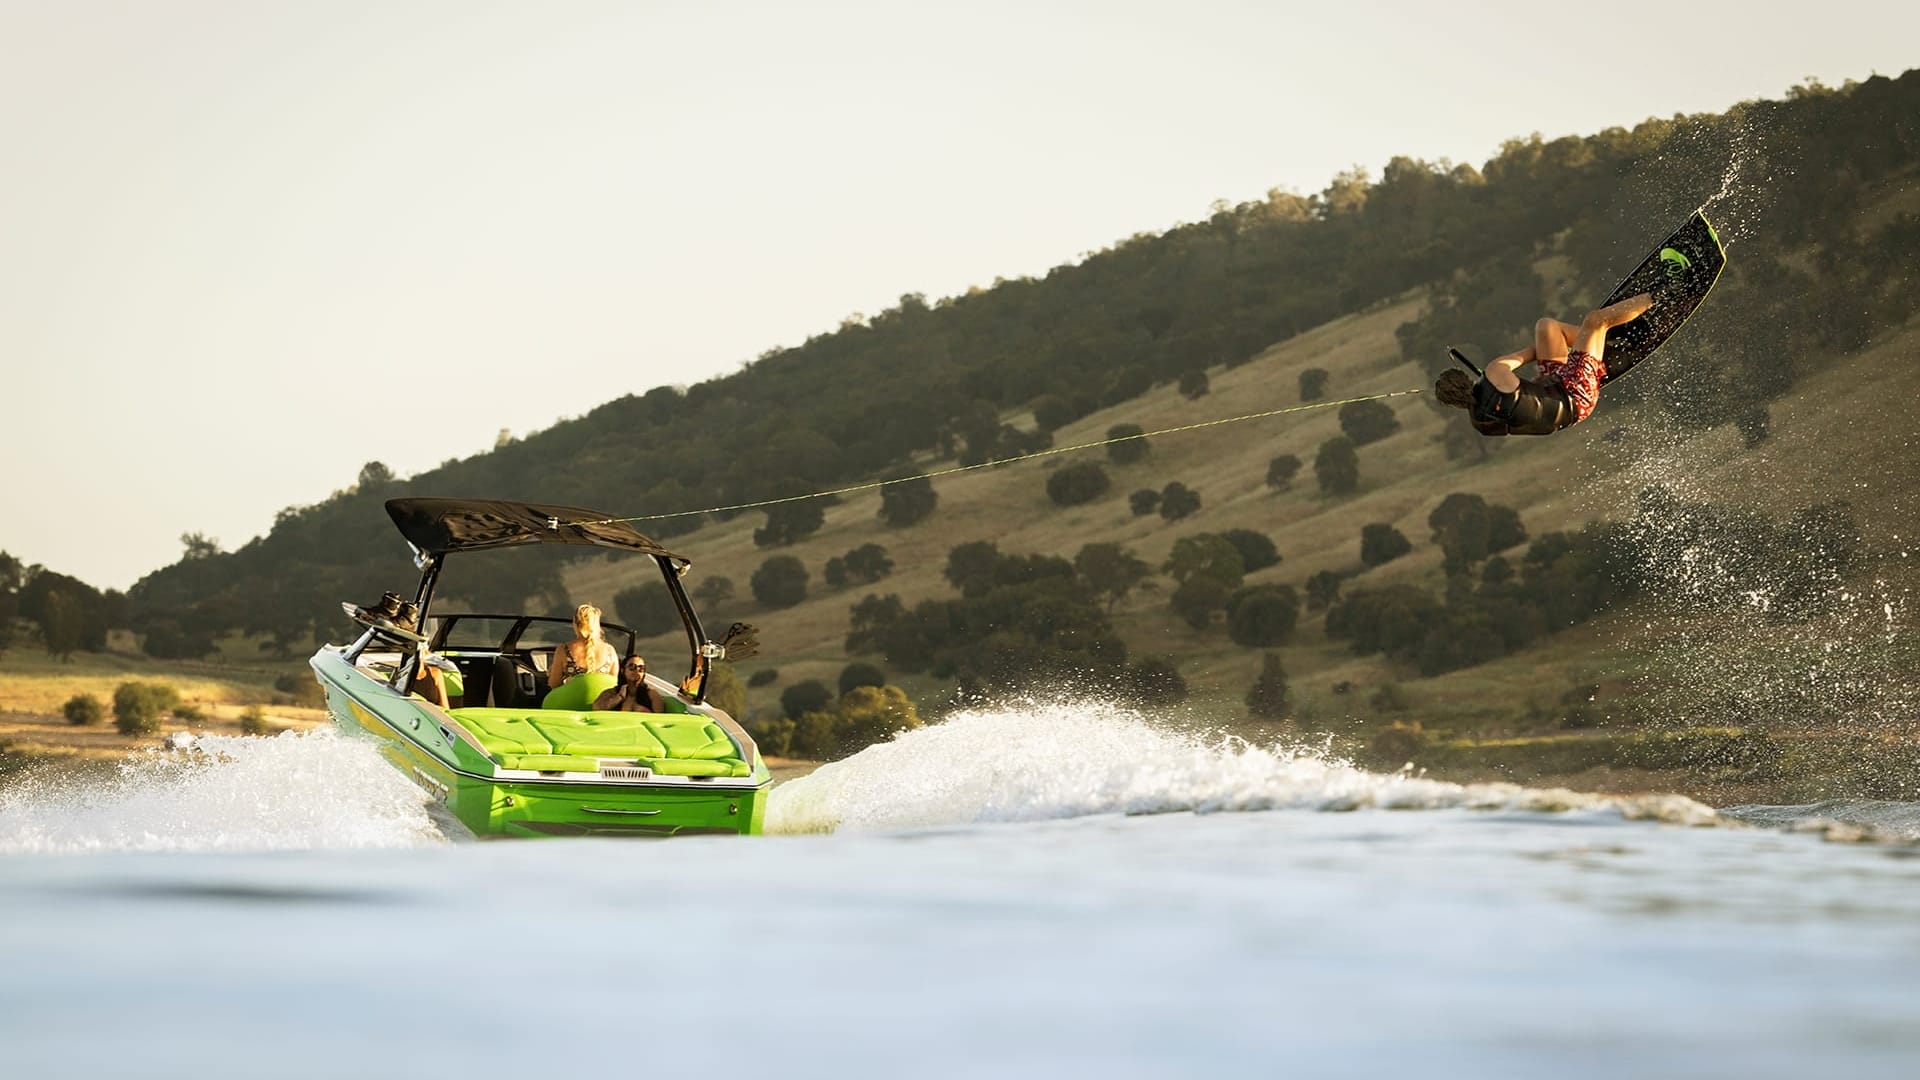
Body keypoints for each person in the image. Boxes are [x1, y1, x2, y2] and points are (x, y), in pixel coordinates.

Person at [1434, 293, 1653, 436]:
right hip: (1575, 392)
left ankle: (1600, 345)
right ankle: (1661, 294)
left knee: (1546, 327)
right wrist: (1577, 345)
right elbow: (1530, 353)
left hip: (1560, 396)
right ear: (1465, 378)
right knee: (1595, 320)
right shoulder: (1494, 372)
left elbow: (1507, 408)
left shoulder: (1481, 423)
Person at [547, 603, 619, 689]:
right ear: (597, 625)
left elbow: (554, 684)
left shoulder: (564, 650)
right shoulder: (610, 651)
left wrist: (550, 673)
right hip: (602, 701)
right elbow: (613, 685)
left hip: (572, 701)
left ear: (575, 624)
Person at [593, 654, 668, 713]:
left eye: (641, 668)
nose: (636, 671)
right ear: (622, 670)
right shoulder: (612, 693)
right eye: (632, 667)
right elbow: (596, 708)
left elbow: (660, 719)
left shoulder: (651, 695)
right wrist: (619, 697)